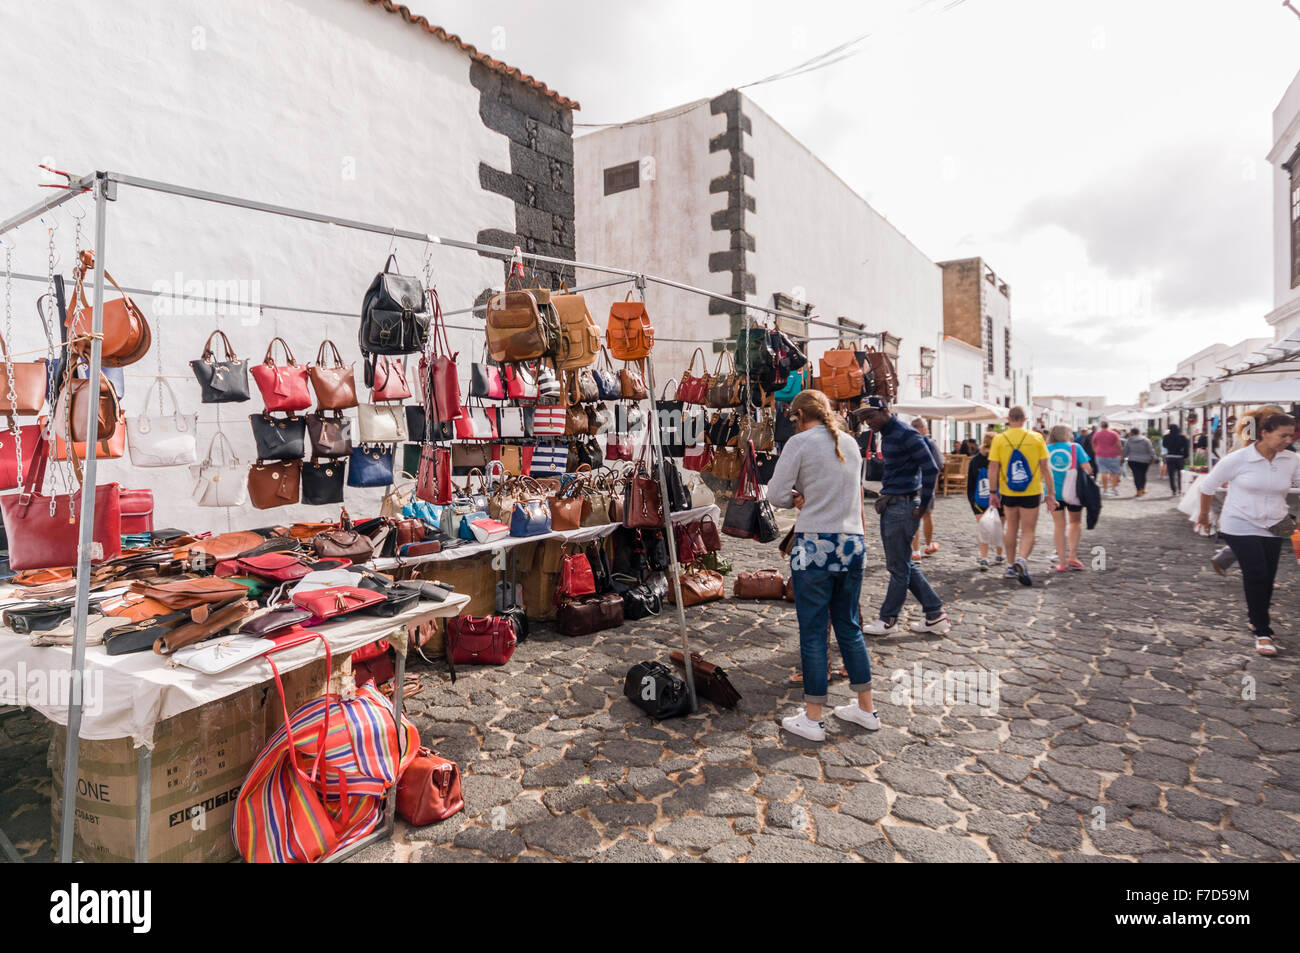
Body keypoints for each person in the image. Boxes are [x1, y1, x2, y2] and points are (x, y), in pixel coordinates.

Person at [767, 389, 879, 741]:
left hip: (815, 543)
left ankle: (813, 718)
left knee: (814, 630)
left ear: (799, 416)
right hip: (851, 542)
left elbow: (775, 494)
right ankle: (866, 709)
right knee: (849, 626)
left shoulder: (799, 444)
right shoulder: (850, 444)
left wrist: (799, 499)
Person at [1195, 413, 1300, 657]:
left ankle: (1256, 618)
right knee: (1257, 573)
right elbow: (1207, 486)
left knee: (1269, 574)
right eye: (1282, 435)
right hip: (1240, 521)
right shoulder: (1238, 459)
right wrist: (1203, 515)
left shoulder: (1291, 459)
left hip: (1277, 520)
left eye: (1290, 435)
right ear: (1264, 432)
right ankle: (1262, 631)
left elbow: (1296, 482)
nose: (1287, 440)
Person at [858, 397, 950, 636]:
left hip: (902, 504)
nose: (868, 422)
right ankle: (935, 614)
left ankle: (888, 619)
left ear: (885, 410)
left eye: (871, 416)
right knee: (904, 564)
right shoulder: (888, 434)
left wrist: (926, 503)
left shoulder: (905, 433)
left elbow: (931, 467)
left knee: (898, 567)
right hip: (896, 503)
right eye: (865, 419)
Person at [987, 405, 1057, 587]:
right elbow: (1045, 468)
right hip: (1032, 491)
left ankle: (1010, 565)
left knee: (1011, 528)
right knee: (1028, 530)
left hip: (1008, 491)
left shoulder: (1000, 439)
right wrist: (1051, 492)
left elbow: (993, 469)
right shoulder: (1036, 438)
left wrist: (993, 493)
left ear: (1008, 419)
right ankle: (1022, 559)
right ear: (1025, 419)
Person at [1047, 424, 1093, 571]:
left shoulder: (1047, 449)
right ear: (1067, 434)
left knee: (1059, 525)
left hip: (1054, 493)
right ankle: (1073, 556)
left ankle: (1062, 562)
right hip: (1074, 492)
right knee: (1075, 523)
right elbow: (1088, 468)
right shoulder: (1075, 448)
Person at [966, 430, 1004, 570]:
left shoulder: (975, 460)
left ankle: (984, 558)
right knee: (1000, 527)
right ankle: (999, 555)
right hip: (1000, 498)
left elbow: (970, 483)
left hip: (979, 499)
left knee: (983, 529)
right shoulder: (1000, 458)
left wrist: (972, 502)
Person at [910, 418, 943, 559]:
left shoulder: (909, 443)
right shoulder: (929, 443)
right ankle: (928, 546)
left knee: (914, 516)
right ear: (922, 428)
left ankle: (915, 551)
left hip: (912, 482)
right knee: (927, 515)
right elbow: (939, 463)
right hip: (926, 483)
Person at [1090, 421, 1123, 496]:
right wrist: (1121, 454)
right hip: (1113, 455)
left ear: (1101, 426)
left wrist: (1095, 451)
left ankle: (1105, 490)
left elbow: (1093, 443)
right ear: (1108, 426)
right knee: (1114, 473)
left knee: (1103, 472)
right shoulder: (1114, 434)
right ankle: (1114, 489)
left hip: (1100, 455)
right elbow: (1119, 445)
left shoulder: (1097, 434)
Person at [1122, 428, 1154, 497]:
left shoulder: (1129, 440)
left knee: (1136, 475)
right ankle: (1143, 488)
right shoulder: (1146, 440)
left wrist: (1123, 457)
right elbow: (1151, 450)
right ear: (1139, 432)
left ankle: (1138, 490)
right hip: (1145, 460)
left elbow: (1125, 450)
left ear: (1131, 433)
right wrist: (1152, 457)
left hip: (1133, 460)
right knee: (1143, 474)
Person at [1162, 423, 1189, 494]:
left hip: (1170, 456)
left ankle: (1173, 489)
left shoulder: (1166, 437)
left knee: (1171, 474)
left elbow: (1164, 445)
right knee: (1181, 474)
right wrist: (1185, 455)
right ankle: (1180, 488)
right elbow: (1186, 447)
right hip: (1180, 457)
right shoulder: (1182, 437)